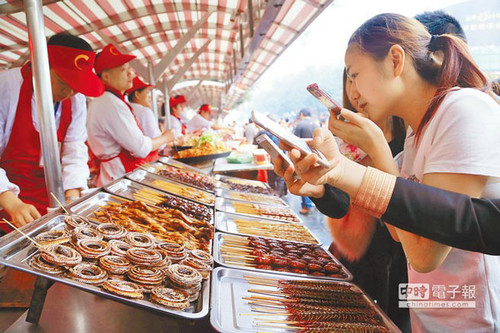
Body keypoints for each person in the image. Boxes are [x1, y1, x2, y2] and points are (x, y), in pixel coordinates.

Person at [279, 13, 500, 333]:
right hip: (433, 312)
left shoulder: (462, 110)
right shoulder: (416, 133)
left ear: (396, 60)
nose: (352, 90)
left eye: (355, 74)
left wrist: (378, 152)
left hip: (473, 319)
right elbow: (400, 232)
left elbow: (425, 255)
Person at [0, 32, 104, 229]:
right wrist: (11, 202)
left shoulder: (75, 100)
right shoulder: (6, 86)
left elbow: (75, 150)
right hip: (6, 205)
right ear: (41, 66)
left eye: (76, 86)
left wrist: (71, 196)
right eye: (65, 83)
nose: (71, 92)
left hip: (49, 203)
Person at [87, 44, 174, 187]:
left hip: (116, 174)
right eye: (123, 70)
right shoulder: (110, 103)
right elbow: (139, 148)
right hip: (119, 177)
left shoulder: (107, 100)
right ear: (106, 76)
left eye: (129, 69)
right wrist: (165, 137)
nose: (130, 74)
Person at [293, 108, 318, 214]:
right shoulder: (316, 125)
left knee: (303, 180)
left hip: (303, 156)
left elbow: (294, 141)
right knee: (315, 179)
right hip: (316, 155)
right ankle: (316, 201)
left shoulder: (300, 125)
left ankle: (306, 206)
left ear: (302, 114)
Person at [126, 76, 162, 140]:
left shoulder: (126, 110)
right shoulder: (144, 112)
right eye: (147, 92)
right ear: (137, 94)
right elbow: (155, 139)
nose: (149, 96)